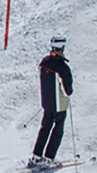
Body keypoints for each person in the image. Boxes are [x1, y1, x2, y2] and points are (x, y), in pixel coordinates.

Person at [31, 36, 74, 169]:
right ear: (61, 48)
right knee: (57, 130)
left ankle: (36, 156)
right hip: (59, 105)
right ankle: (49, 158)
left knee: (45, 128)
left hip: (47, 103)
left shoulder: (44, 62)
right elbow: (68, 91)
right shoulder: (63, 68)